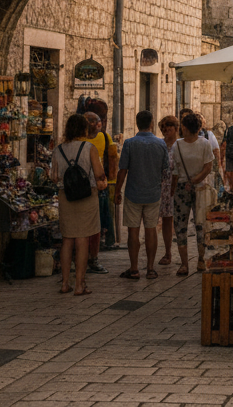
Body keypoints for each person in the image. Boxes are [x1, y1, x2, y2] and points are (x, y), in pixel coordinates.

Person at [52, 114, 107, 295]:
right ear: (84, 129)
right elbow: (99, 174)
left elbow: (54, 177)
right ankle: (80, 284)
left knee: (67, 239)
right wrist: (103, 182)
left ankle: (65, 283)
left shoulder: (58, 150)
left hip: (66, 196)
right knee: (82, 239)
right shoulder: (89, 148)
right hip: (86, 196)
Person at [116, 110, 170, 280]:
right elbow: (165, 169)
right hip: (153, 193)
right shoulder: (161, 144)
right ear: (152, 123)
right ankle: (151, 268)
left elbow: (123, 170)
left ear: (137, 123)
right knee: (151, 229)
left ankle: (133, 269)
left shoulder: (130, 143)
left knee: (133, 230)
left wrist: (117, 191)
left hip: (133, 193)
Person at [170, 112, 216, 276]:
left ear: (184, 128)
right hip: (194, 187)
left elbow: (175, 171)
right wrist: (195, 180)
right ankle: (191, 262)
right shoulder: (181, 145)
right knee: (187, 226)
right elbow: (208, 166)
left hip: (192, 188)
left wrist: (192, 181)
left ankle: (195, 262)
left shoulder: (202, 144)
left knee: (197, 225)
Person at [83, 111, 117, 265]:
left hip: (86, 185)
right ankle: (95, 253)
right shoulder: (104, 137)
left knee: (91, 220)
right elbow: (113, 157)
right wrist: (111, 180)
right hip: (99, 183)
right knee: (101, 217)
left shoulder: (78, 140)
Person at [157, 116, 181, 266]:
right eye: (163, 129)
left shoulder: (181, 145)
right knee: (166, 220)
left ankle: (183, 253)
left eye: (169, 128)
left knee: (177, 221)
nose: (166, 131)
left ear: (176, 129)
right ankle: (168, 252)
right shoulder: (159, 145)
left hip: (177, 186)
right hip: (161, 187)